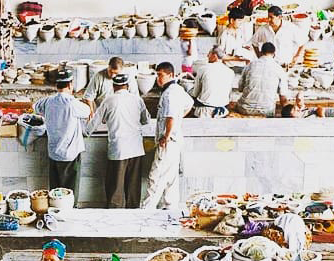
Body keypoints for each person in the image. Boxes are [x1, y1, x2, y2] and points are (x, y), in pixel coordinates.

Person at [86, 73, 149, 208]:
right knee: (133, 190)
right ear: (127, 86)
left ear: (113, 86)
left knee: (115, 190)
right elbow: (146, 120)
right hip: (136, 149)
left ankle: (115, 220)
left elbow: (94, 123)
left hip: (118, 150)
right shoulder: (137, 100)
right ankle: (133, 217)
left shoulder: (109, 100)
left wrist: (84, 132)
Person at [141, 62, 193, 212]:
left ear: (170, 75)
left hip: (168, 142)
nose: (158, 78)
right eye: (157, 75)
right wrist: (178, 119)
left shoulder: (170, 93)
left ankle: (147, 211)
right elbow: (188, 105)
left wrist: (167, 135)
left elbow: (170, 117)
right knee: (171, 179)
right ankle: (170, 209)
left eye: (161, 75)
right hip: (175, 141)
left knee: (156, 177)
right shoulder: (179, 89)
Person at [34, 68, 91, 198]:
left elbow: (36, 107)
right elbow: (87, 111)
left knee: (55, 192)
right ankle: (69, 214)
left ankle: (55, 214)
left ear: (56, 85)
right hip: (70, 154)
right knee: (69, 194)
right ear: (70, 85)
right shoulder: (72, 103)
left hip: (54, 153)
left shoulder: (48, 101)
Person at [235, 42, 290, 117]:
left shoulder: (249, 66)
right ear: (274, 54)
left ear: (261, 53)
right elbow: (283, 98)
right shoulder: (279, 69)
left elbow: (240, 88)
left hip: (245, 109)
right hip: (267, 111)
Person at [191, 47, 236, 117]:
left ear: (214, 56)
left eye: (209, 54)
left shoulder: (202, 69)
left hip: (204, 111)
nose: (207, 56)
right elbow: (228, 95)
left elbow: (195, 93)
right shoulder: (231, 72)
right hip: (222, 111)